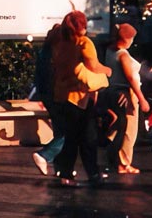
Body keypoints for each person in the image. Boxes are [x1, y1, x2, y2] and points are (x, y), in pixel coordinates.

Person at [50, 10, 109, 187]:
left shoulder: (60, 43)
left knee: (70, 138)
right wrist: (108, 71)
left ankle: (66, 174)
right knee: (88, 137)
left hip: (62, 94)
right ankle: (92, 173)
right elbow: (94, 66)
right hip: (81, 97)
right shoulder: (84, 43)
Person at [102, 22, 149, 175]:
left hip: (114, 91)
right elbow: (130, 77)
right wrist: (141, 99)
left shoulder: (110, 50)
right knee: (130, 130)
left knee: (120, 127)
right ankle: (124, 163)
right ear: (127, 39)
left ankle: (112, 151)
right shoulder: (122, 55)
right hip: (127, 92)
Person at [30, 25, 63, 176]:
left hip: (47, 96)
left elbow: (39, 77)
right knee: (67, 133)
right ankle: (45, 154)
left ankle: (61, 168)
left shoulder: (44, 52)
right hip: (57, 96)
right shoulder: (56, 54)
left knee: (59, 130)